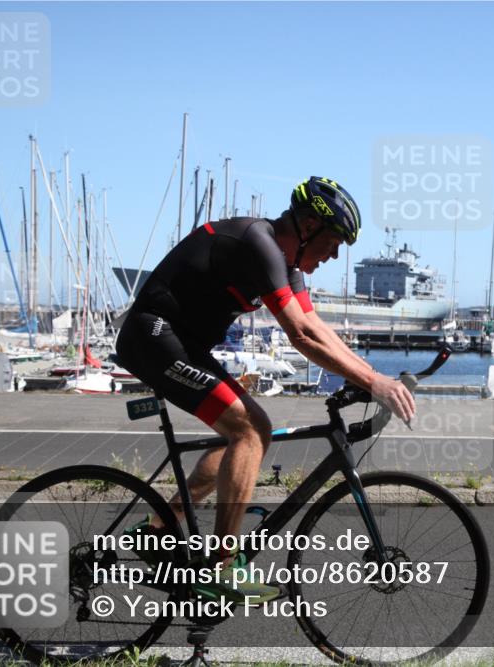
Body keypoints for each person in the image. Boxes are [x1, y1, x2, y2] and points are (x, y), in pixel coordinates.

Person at [115, 176, 416, 603]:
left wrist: (369, 376)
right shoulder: (258, 244)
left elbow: (317, 327)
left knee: (239, 438)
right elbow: (300, 336)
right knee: (252, 429)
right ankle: (219, 568)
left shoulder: (287, 265)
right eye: (332, 243)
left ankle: (156, 531)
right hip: (153, 337)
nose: (332, 256)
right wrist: (373, 382)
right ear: (309, 224)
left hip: (183, 344)